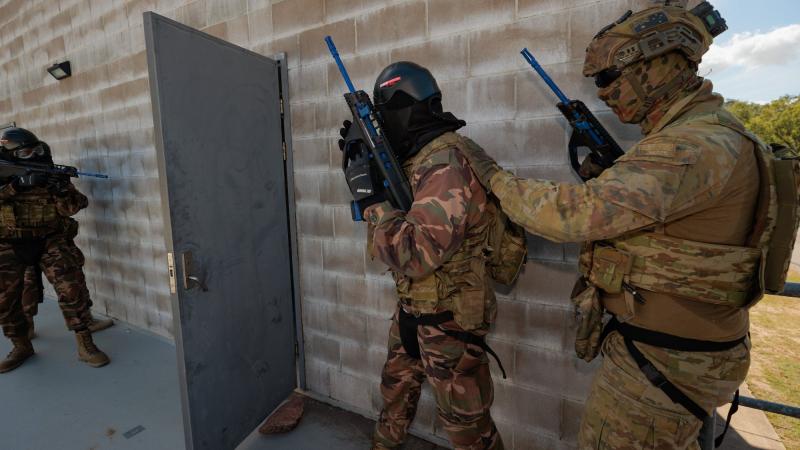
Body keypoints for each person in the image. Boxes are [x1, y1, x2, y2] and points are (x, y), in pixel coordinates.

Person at [454, 3, 788, 448]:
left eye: (610, 79)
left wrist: (493, 176)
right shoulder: (707, 133)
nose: (604, 93)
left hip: (666, 363)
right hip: (674, 351)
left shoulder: (690, 146)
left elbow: (571, 216)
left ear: (656, 66)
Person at [340, 62, 505, 449]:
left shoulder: (445, 162)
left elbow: (415, 254)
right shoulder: (417, 158)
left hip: (450, 320)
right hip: (413, 308)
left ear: (407, 108)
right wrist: (367, 162)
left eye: (386, 115)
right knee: (394, 394)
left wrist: (371, 200)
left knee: (467, 425)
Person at [0, 127, 109, 373]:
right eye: (27, 153)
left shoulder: (48, 173)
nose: (35, 156)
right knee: (5, 300)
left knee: (71, 287)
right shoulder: (4, 173)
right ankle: (20, 345)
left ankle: (85, 343)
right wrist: (16, 186)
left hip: (50, 239)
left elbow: (72, 207)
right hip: (8, 243)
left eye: (37, 150)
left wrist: (60, 188)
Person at [21, 218, 114, 340]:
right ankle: (85, 322)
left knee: (25, 280)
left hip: (19, 238)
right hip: (50, 237)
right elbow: (71, 205)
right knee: (69, 278)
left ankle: (25, 329)